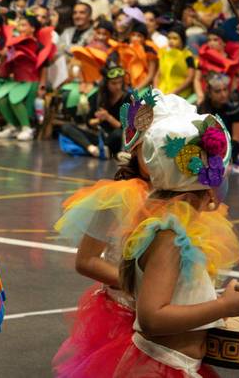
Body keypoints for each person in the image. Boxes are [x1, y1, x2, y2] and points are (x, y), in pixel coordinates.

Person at [112, 95, 239, 377]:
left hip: (173, 364)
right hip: (162, 369)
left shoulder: (168, 227)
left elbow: (176, 302)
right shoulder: (169, 236)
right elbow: (152, 318)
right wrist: (224, 305)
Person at [53, 88, 182, 377]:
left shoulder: (184, 199)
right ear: (135, 149)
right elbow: (86, 260)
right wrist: (140, 287)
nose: (159, 160)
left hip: (168, 320)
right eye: (151, 150)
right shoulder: (118, 197)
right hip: (122, 317)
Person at [59, 61, 130, 158]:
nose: (118, 87)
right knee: (66, 127)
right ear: (106, 83)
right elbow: (89, 122)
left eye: (120, 83)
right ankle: (92, 149)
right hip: (99, 136)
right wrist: (98, 120)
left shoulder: (128, 98)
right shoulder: (99, 96)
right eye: (114, 83)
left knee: (118, 134)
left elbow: (126, 128)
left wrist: (108, 118)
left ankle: (101, 149)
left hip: (117, 138)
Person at [198, 72, 239, 158]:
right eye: (218, 91)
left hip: (232, 152)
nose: (223, 95)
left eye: (225, 90)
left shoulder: (236, 109)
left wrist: (221, 159)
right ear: (209, 93)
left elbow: (237, 141)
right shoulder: (202, 109)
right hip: (208, 150)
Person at [155, 23, 195, 98]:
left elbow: (190, 78)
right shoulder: (164, 53)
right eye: (169, 38)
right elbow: (158, 74)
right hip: (162, 91)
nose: (171, 41)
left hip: (180, 93)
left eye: (175, 38)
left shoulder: (188, 56)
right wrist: (156, 90)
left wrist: (174, 92)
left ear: (182, 40)